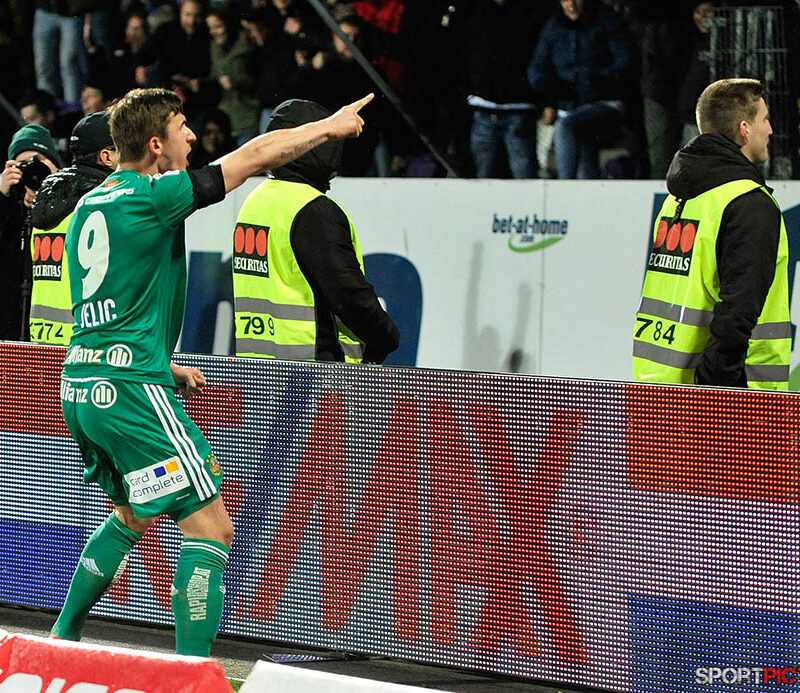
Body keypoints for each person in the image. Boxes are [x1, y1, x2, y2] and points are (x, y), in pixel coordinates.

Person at [51, 87, 373, 656]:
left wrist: (163, 364)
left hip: (82, 385)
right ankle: (192, 675)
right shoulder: (152, 195)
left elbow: (105, 310)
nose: (193, 136)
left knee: (130, 513)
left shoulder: (90, 206)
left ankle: (61, 640)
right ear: (156, 144)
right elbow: (253, 157)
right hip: (131, 394)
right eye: (182, 127)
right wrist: (329, 127)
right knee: (212, 530)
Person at [633, 78, 789, 390]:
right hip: (734, 394)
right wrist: (716, 389)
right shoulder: (749, 203)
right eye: (765, 120)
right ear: (745, 129)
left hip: (660, 383)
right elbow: (738, 310)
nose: (770, 130)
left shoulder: (677, 198)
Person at [232, 98, 399, 363]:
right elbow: (348, 295)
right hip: (314, 368)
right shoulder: (312, 209)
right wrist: (387, 337)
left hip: (259, 365)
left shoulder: (255, 202)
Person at [29, 111, 118, 346]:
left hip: (41, 342)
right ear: (107, 156)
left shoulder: (46, 198)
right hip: (88, 345)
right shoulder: (102, 204)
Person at [527, 0, 635, 179]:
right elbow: (537, 69)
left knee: (566, 126)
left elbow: (625, 61)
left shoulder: (606, 19)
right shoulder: (553, 25)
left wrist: (592, 81)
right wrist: (549, 98)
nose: (572, 5)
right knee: (581, 150)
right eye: (565, 0)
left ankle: (565, 185)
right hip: (568, 106)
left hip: (604, 103)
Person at [463, 0, 547, 179]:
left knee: (523, 176)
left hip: (519, 108)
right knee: (483, 176)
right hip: (485, 106)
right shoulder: (476, 12)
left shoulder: (531, 13)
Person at [0, 124, 62, 340]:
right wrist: (2, 196)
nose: (32, 171)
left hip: (52, 330)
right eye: (23, 165)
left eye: (37, 161)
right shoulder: (10, 211)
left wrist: (53, 193)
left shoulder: (73, 203)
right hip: (9, 324)